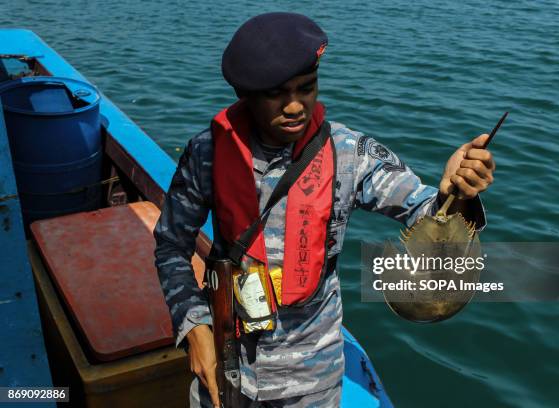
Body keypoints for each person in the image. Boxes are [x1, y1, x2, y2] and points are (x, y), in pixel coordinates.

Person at [154, 12, 494, 408]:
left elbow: (426, 212)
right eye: (277, 94)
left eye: (307, 87)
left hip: (312, 376)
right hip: (226, 361)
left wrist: (457, 194)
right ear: (244, 94)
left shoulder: (349, 154)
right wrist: (194, 327)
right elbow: (171, 246)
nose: (296, 106)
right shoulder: (207, 154)